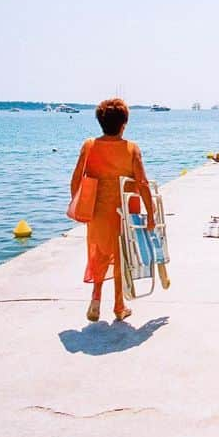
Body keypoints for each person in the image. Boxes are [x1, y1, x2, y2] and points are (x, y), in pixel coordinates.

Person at [70, 97, 154, 323]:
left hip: (97, 211)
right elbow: (143, 184)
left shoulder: (89, 146)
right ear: (124, 124)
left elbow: (76, 178)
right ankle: (119, 306)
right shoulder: (131, 149)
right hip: (124, 213)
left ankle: (96, 298)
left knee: (98, 253)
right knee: (121, 258)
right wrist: (152, 216)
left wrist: (78, 206)